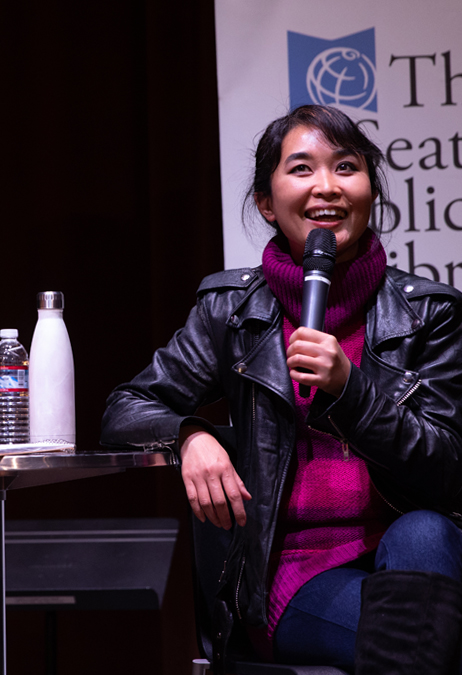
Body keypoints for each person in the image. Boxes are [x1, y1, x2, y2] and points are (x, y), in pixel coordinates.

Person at [101, 105, 462, 673]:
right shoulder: (231, 310)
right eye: (301, 169)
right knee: (432, 636)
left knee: (424, 533)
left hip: (418, 560)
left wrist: (351, 391)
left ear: (370, 188)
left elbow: (449, 467)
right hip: (295, 571)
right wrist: (190, 437)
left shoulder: (429, 313)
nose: (327, 186)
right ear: (268, 203)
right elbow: (126, 409)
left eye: (347, 167)